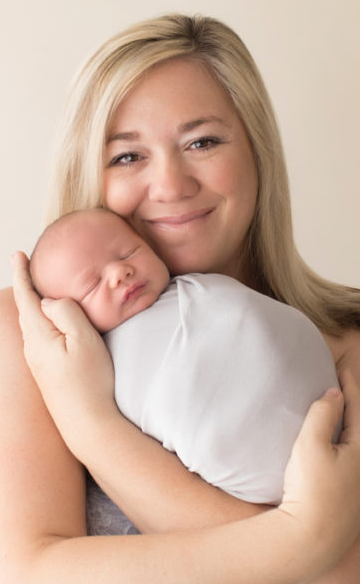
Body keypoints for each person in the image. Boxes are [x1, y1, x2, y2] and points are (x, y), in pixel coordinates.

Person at [0, 14, 360, 584]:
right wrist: (305, 537)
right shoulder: (17, 338)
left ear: (258, 152)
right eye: (128, 155)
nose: (170, 183)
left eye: (202, 141)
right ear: (88, 172)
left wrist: (93, 424)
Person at [28, 206, 340, 504]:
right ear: (64, 315)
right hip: (247, 470)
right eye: (92, 284)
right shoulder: (95, 368)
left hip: (318, 409)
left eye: (128, 252)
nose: (120, 272)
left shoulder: (195, 288)